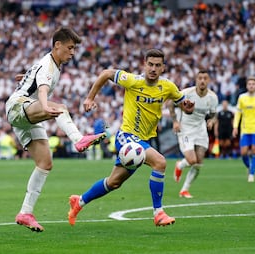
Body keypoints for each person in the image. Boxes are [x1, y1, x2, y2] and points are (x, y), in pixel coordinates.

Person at [67, 49, 195, 228]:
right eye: (150, 64)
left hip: (143, 140)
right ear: (144, 64)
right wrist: (90, 98)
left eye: (157, 65)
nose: (153, 68)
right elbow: (105, 73)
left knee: (113, 182)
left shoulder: (168, 87)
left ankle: (79, 202)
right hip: (126, 136)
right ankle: (158, 213)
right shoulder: (133, 81)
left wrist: (188, 107)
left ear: (163, 68)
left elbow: (183, 104)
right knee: (160, 162)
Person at [5, 27, 106, 232]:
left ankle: (25, 212)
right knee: (60, 108)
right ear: (57, 45)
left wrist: (26, 77)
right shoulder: (49, 65)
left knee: (45, 163)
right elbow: (42, 89)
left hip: (25, 111)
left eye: (74, 49)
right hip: (18, 107)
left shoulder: (51, 65)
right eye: (70, 48)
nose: (73, 52)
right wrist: (45, 106)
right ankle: (78, 139)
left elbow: (37, 80)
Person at [169, 70, 218, 198]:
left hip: (201, 130)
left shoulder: (212, 97)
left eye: (205, 78)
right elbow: (170, 103)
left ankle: (184, 190)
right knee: (191, 160)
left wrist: (212, 121)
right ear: (196, 80)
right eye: (200, 78)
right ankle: (179, 165)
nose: (202, 81)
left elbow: (213, 114)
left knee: (198, 164)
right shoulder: (186, 93)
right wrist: (175, 121)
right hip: (185, 128)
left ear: (208, 81)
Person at [232, 76, 255, 183]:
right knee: (243, 152)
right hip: (245, 129)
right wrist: (235, 127)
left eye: (253, 84)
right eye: (249, 84)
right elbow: (238, 113)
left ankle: (252, 174)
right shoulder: (242, 98)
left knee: (254, 150)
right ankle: (249, 167)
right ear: (246, 86)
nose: (251, 86)